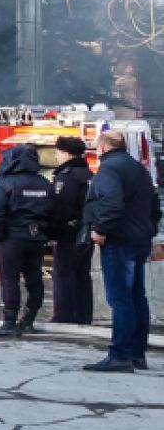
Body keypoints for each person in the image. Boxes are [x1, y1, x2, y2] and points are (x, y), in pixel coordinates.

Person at [79, 128, 161, 372]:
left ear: (102, 148)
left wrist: (100, 230)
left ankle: (120, 356)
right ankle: (137, 354)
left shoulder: (109, 169)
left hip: (118, 241)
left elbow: (111, 202)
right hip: (139, 240)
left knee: (120, 299)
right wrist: (148, 231)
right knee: (137, 298)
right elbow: (155, 207)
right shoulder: (139, 169)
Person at [0, 144, 55, 337]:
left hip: (11, 239)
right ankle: (29, 319)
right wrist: (45, 233)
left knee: (9, 279)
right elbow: (53, 213)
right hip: (36, 238)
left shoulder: (5, 184)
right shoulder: (45, 184)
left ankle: (9, 321)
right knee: (34, 278)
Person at [49, 136, 95, 326]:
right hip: (86, 231)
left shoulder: (66, 176)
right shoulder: (89, 175)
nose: (57, 156)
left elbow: (61, 208)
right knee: (82, 274)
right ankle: (83, 316)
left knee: (63, 274)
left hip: (69, 233)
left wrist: (52, 233)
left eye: (58, 153)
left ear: (67, 154)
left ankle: (64, 316)